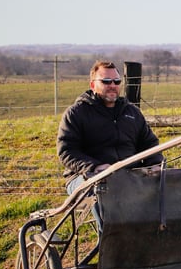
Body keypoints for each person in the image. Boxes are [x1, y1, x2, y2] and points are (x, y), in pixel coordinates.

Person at [57, 60, 164, 231]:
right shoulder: (77, 113)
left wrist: (155, 165)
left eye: (116, 81)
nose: (112, 85)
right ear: (93, 84)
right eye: (106, 82)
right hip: (85, 179)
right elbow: (67, 151)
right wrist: (96, 167)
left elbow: (150, 144)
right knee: (103, 192)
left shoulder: (132, 113)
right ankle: (111, 250)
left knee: (164, 192)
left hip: (127, 176)